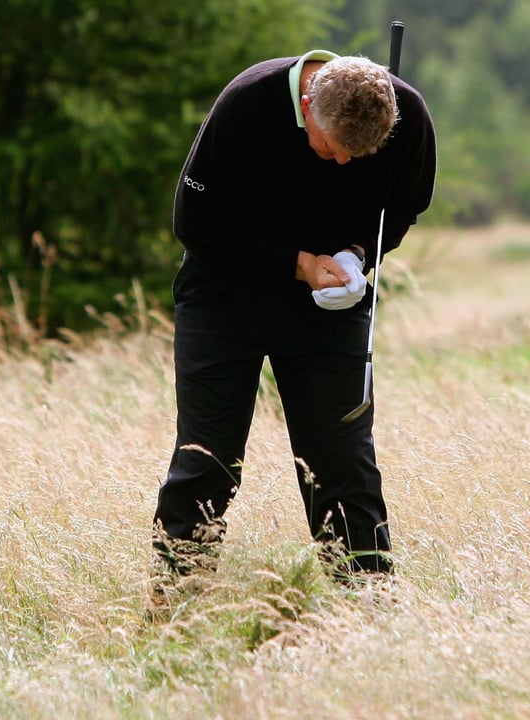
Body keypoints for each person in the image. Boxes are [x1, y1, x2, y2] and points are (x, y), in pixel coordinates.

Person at [152, 48, 437, 588]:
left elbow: (401, 208)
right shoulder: (246, 104)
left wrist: (356, 256)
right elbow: (195, 222)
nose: (345, 163)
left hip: (329, 303)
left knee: (342, 462)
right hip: (224, 295)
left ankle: (367, 611)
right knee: (207, 460)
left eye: (361, 153)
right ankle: (176, 605)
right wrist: (298, 265)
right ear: (308, 106)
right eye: (333, 148)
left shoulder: (408, 118)